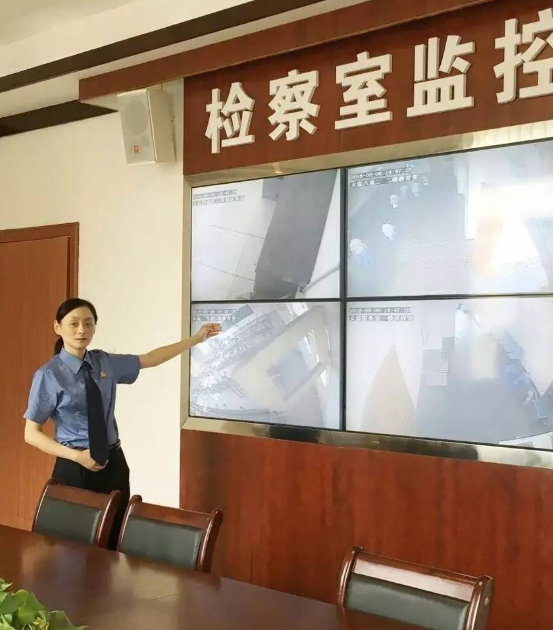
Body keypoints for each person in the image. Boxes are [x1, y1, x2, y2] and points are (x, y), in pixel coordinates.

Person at [23, 298, 221, 549]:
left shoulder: (104, 362)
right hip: (74, 467)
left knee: (114, 540)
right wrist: (77, 457)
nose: (82, 330)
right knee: (72, 547)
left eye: (88, 323)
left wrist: (196, 339)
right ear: (57, 327)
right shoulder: (48, 376)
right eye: (73, 324)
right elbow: (31, 434)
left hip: (113, 463)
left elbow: (151, 358)